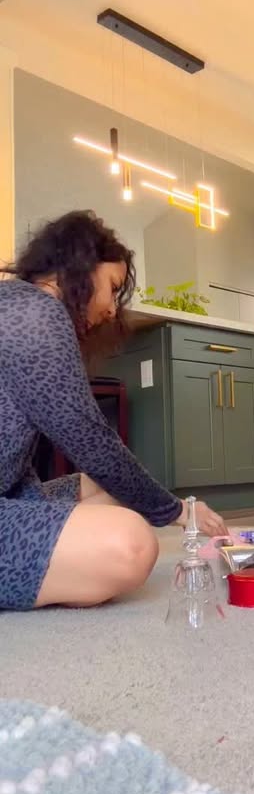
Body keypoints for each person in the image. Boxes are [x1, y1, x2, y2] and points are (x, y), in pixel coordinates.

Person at [0, 210, 228, 611]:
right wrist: (175, 509)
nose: (111, 309)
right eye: (113, 286)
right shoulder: (35, 314)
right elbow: (90, 440)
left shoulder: (16, 303)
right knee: (132, 545)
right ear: (81, 264)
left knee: (99, 488)